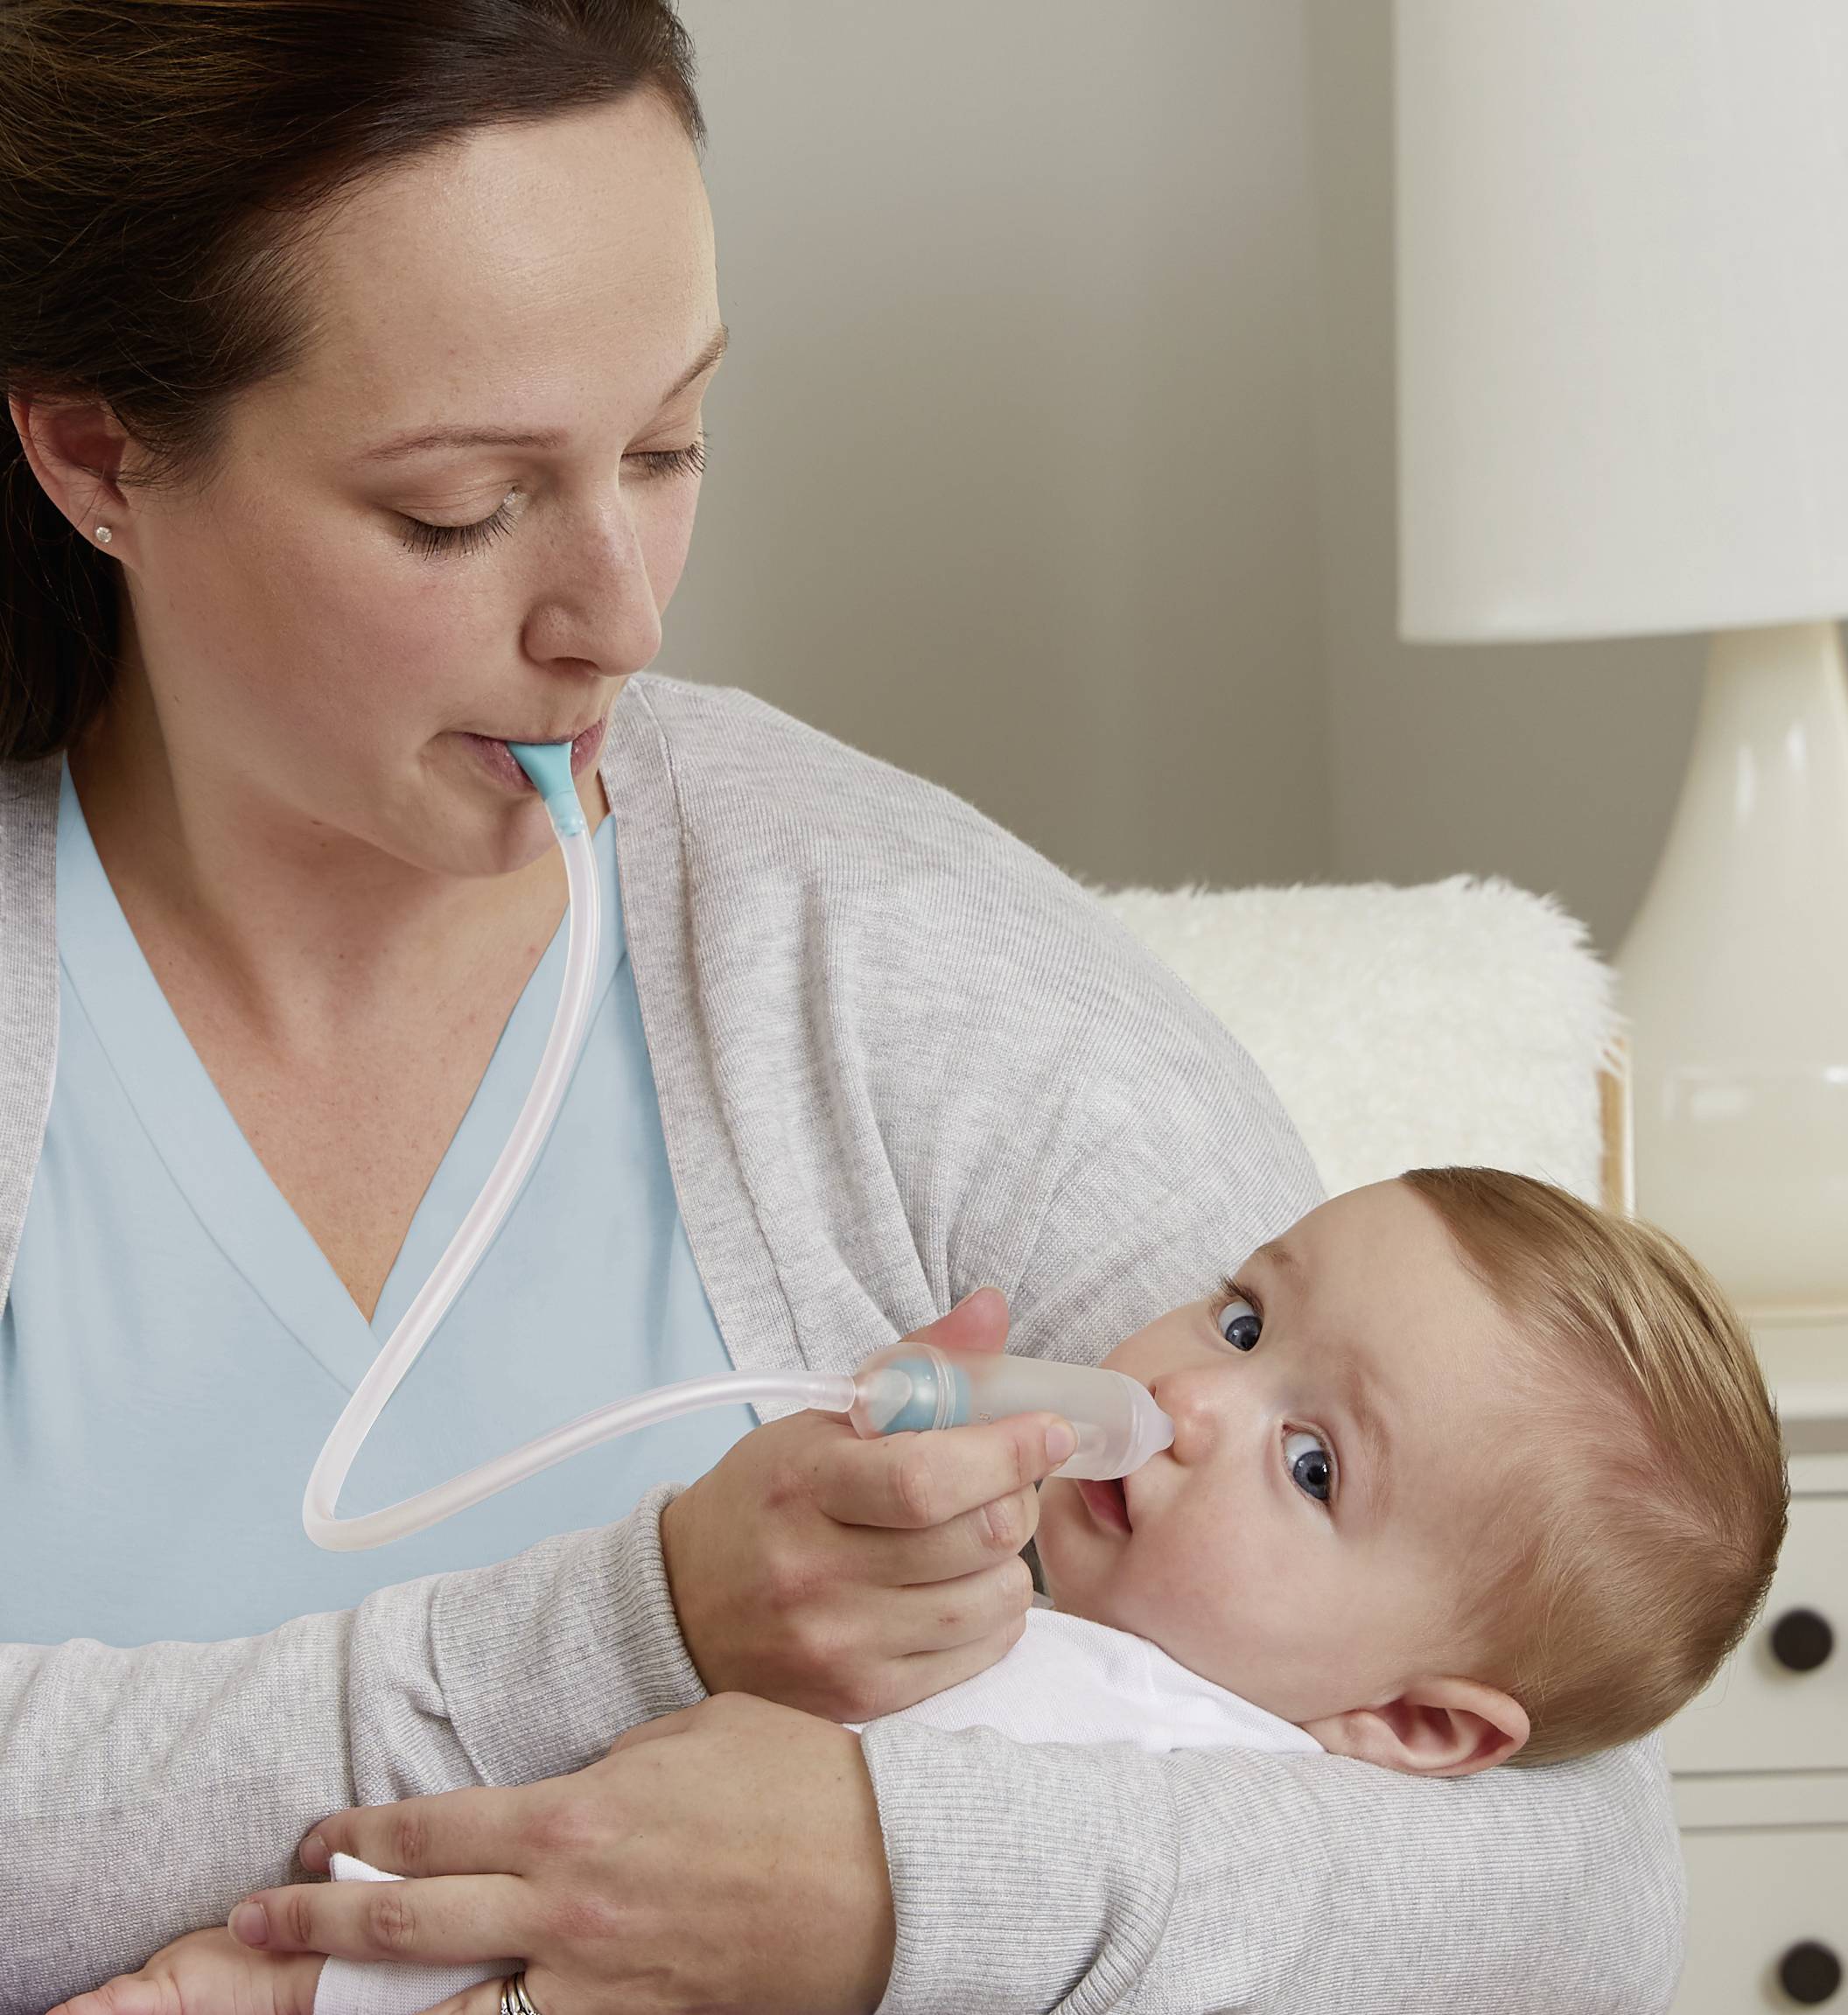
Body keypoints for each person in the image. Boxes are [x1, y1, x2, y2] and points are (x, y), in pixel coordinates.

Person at [0, 7, 1690, 2012]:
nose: (620, 618)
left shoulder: (887, 959)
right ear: (96, 455)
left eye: (665, 448)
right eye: (458, 507)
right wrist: (625, 1634)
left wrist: (905, 1892)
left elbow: (1576, 1878)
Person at [78, 1167, 1786, 2015]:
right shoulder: (986, 1613)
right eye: (1242, 1318)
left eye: (1314, 1465)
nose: (1191, 1400)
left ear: (1412, 1725)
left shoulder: (1189, 1818)